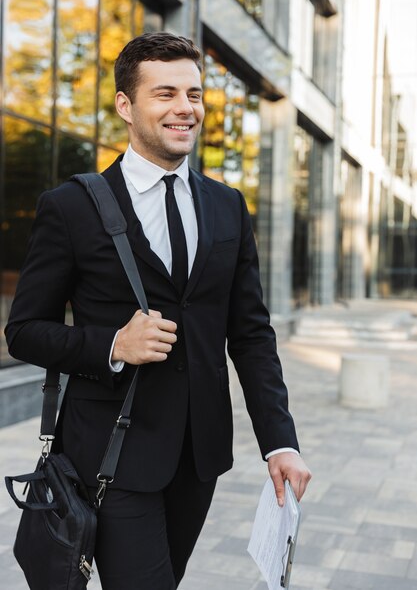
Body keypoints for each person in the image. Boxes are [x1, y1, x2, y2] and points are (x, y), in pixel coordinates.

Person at [5, 32, 311, 589]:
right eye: (164, 93)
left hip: (199, 456)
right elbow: (23, 332)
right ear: (126, 105)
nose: (184, 109)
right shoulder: (71, 207)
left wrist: (280, 442)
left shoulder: (227, 206)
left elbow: (250, 334)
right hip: (109, 457)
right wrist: (111, 346)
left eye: (194, 94)